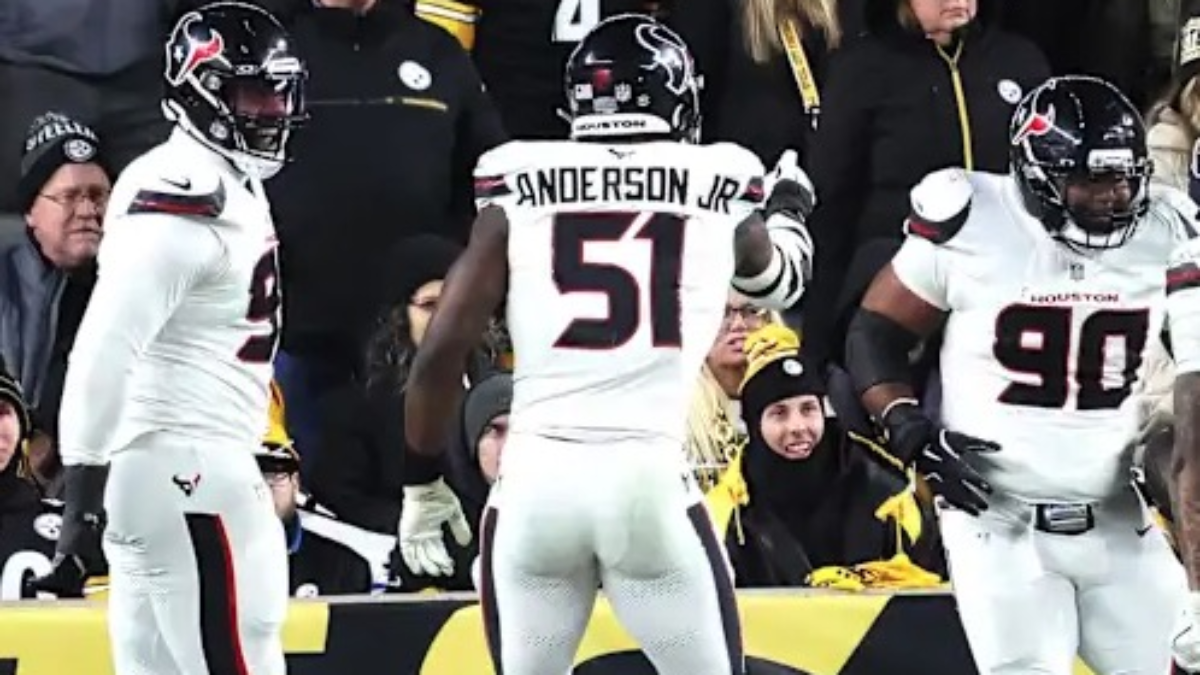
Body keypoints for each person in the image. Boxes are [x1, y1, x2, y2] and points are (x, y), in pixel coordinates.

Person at [405, 14, 815, 675]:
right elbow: (779, 279)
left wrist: (421, 483)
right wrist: (789, 206)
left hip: (535, 483)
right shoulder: (718, 180)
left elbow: (442, 347)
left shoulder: (518, 181)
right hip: (645, 480)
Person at [844, 75, 1194, 675]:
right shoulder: (974, 220)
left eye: (1123, 179)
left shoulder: (1166, 230)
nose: (1111, 198)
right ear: (1037, 175)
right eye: (1090, 182)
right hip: (999, 522)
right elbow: (875, 332)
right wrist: (908, 428)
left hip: (1118, 516)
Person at [30, 4, 307, 675]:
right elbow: (105, 345)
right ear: (201, 89)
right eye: (253, 94)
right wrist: (81, 496)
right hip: (189, 470)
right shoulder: (181, 190)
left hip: (179, 468)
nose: (272, 111)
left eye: (279, 93)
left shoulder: (231, 180)